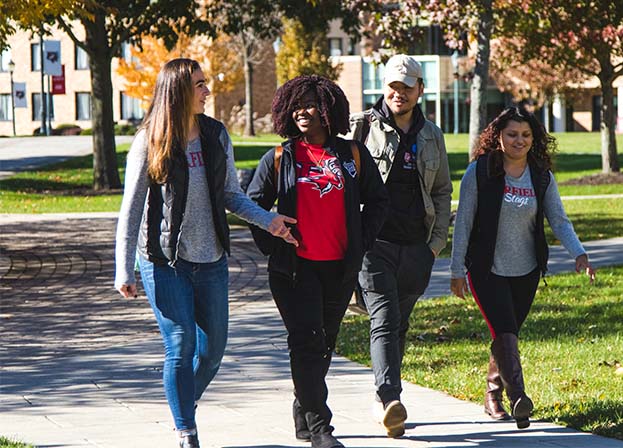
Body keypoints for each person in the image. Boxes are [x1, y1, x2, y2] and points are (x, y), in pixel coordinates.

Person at [114, 58, 297, 448]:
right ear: (178, 90)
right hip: (164, 261)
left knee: (212, 352)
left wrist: (269, 221)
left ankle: (182, 403)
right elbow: (131, 208)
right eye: (199, 84)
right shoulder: (150, 141)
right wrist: (123, 269)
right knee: (180, 344)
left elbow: (231, 194)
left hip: (211, 258)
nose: (207, 90)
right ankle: (186, 432)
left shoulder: (216, 135)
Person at [246, 74, 389, 448]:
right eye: (296, 105)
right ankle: (321, 427)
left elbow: (378, 202)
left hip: (339, 266)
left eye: (310, 104)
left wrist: (361, 240)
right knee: (306, 341)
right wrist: (274, 245)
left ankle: (302, 410)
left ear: (328, 109)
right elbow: (251, 207)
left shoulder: (352, 155)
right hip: (294, 268)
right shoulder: (279, 157)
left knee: (324, 342)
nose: (302, 112)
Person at [450, 106, 596, 429]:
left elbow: (559, 219)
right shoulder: (480, 172)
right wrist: (456, 268)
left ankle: (492, 395)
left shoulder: (541, 176)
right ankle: (519, 398)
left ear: (534, 139)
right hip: (485, 268)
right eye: (512, 134)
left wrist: (579, 254)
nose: (519, 140)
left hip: (527, 271)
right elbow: (464, 222)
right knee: (504, 331)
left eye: (526, 135)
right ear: (498, 137)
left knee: (507, 336)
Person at [349, 54, 452, 438]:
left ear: (420, 90)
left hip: (417, 247)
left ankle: (383, 401)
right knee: (385, 319)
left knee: (399, 324)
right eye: (393, 86)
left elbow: (442, 191)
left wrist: (434, 246)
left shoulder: (433, 136)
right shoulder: (359, 128)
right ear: (384, 86)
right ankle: (391, 396)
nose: (399, 93)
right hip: (373, 245)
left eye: (407, 87)